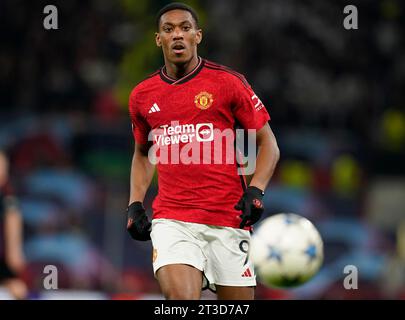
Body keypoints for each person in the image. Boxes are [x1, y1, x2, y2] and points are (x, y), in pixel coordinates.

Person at [126, 2, 280, 300]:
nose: (177, 35)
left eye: (185, 28)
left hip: (228, 218)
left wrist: (256, 191)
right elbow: (143, 153)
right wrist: (134, 204)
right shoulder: (142, 96)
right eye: (168, 30)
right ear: (159, 39)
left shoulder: (228, 83)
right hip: (173, 219)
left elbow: (268, 145)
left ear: (198, 35)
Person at [0, 150, 28, 299]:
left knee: (17, 289)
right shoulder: (8, 202)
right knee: (18, 289)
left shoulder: (8, 201)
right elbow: (14, 253)